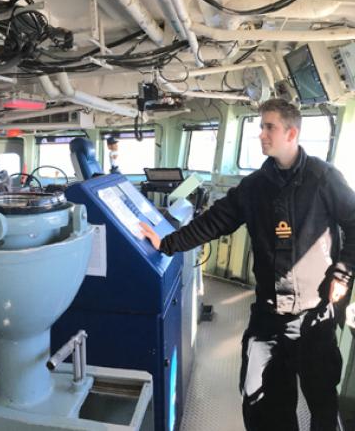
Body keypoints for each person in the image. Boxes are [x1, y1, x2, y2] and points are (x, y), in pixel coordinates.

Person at [139, 98, 355, 431]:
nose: (262, 135)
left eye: (269, 127)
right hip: (268, 316)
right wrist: (167, 243)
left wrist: (343, 272)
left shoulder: (324, 178)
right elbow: (215, 220)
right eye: (261, 127)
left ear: (291, 132)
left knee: (322, 403)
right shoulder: (255, 186)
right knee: (260, 401)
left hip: (315, 315)